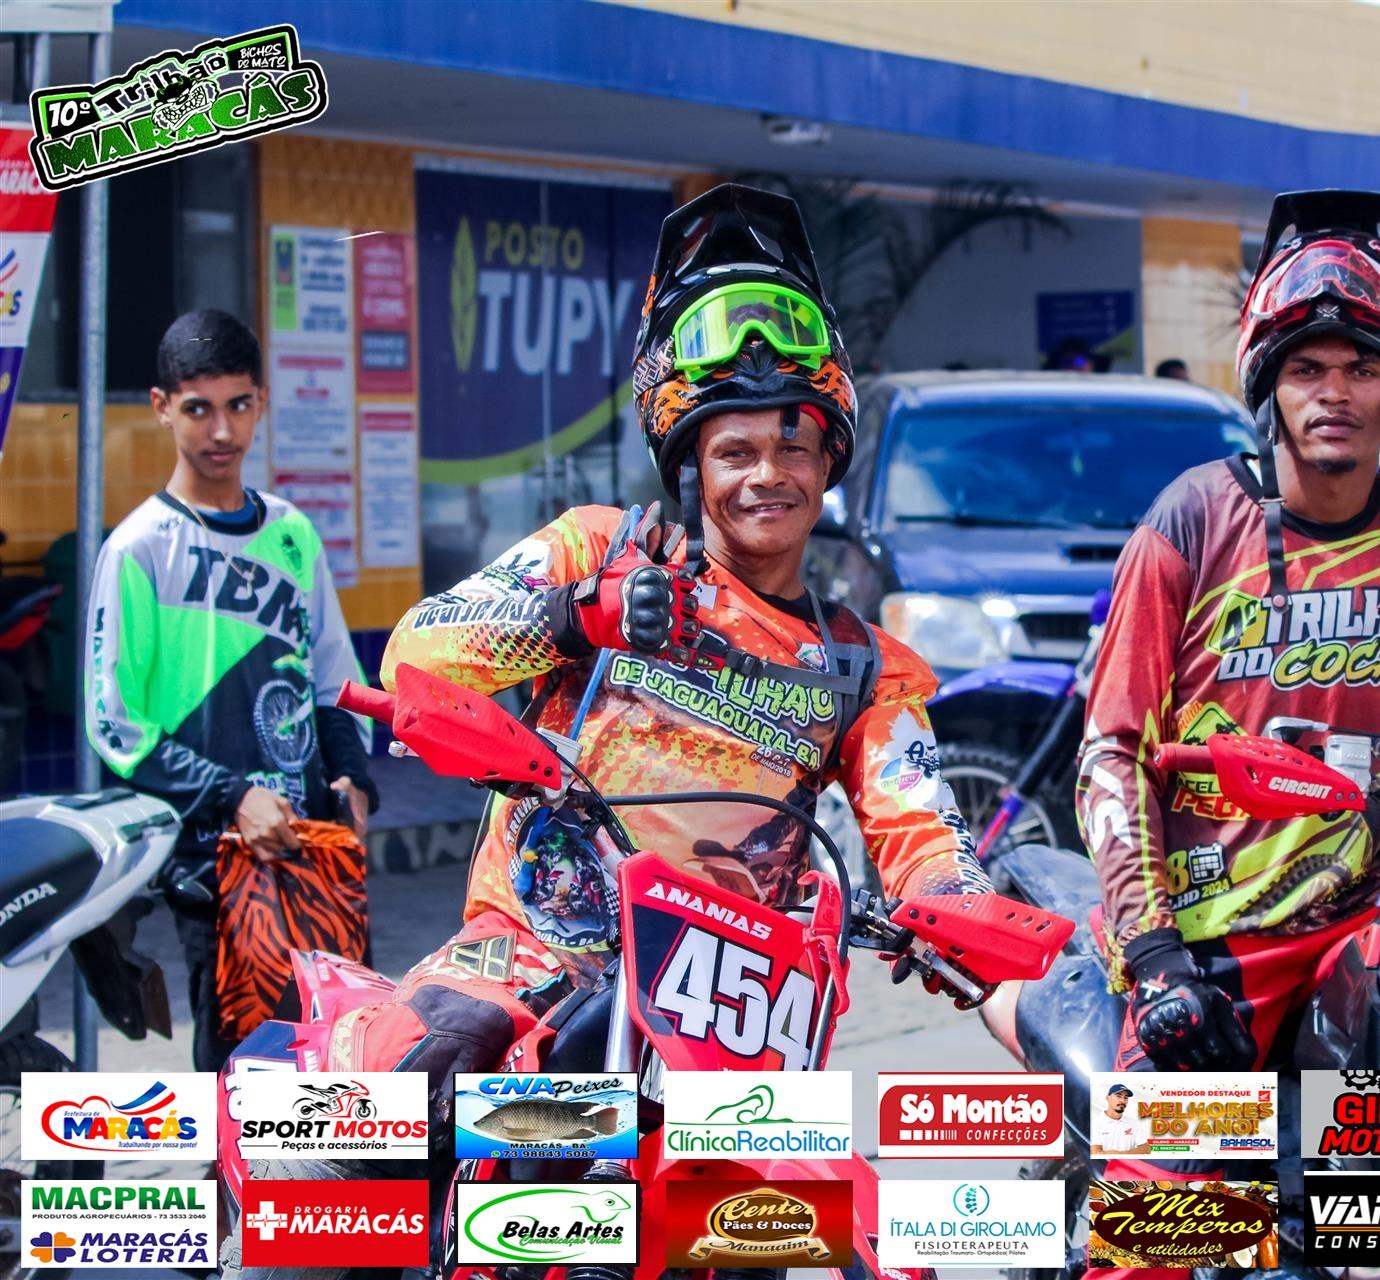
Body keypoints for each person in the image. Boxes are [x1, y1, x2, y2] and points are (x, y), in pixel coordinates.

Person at [331, 185, 994, 1092]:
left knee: (795, 1182)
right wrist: (574, 615)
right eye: (735, 452)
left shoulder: (868, 669)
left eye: (793, 449)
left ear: (828, 462)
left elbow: (919, 820)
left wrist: (953, 902)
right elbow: (413, 652)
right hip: (537, 951)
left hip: (734, 1003)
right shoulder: (599, 550)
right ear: (690, 465)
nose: (768, 476)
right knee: (407, 1087)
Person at [1076, 189, 1380, 1231]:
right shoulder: (1193, 517)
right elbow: (1111, 751)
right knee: (1156, 1241)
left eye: (1361, 368)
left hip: (1376, 924)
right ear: (1270, 386)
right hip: (1213, 943)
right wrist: (1155, 960)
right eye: (1307, 369)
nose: (1334, 393)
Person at [85, 309, 375, 1072]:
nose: (222, 431)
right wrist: (233, 796)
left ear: (262, 402)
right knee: (245, 1083)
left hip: (315, 851)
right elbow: (115, 726)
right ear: (161, 407)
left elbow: (333, 676)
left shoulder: (292, 533)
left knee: (344, 1072)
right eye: (199, 408)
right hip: (217, 866)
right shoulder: (138, 550)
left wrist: (354, 778)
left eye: (238, 405)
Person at [1092, 1082, 1146, 1156]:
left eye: (1125, 1098)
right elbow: (1095, 1153)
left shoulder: (1133, 1123)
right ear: (1108, 1098)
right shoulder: (1095, 1123)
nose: (1123, 1101)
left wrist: (1123, 1154)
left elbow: (1146, 1148)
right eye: (1118, 1096)